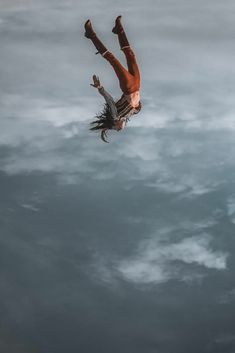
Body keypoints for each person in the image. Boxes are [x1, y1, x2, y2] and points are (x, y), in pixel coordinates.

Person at [84, 15, 141, 143]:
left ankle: (91, 34)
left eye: (116, 129)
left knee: (112, 59)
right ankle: (118, 29)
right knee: (130, 54)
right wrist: (137, 108)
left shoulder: (116, 116)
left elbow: (109, 100)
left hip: (128, 87)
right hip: (137, 85)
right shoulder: (128, 116)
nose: (119, 129)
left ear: (114, 125)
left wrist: (100, 88)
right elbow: (137, 107)